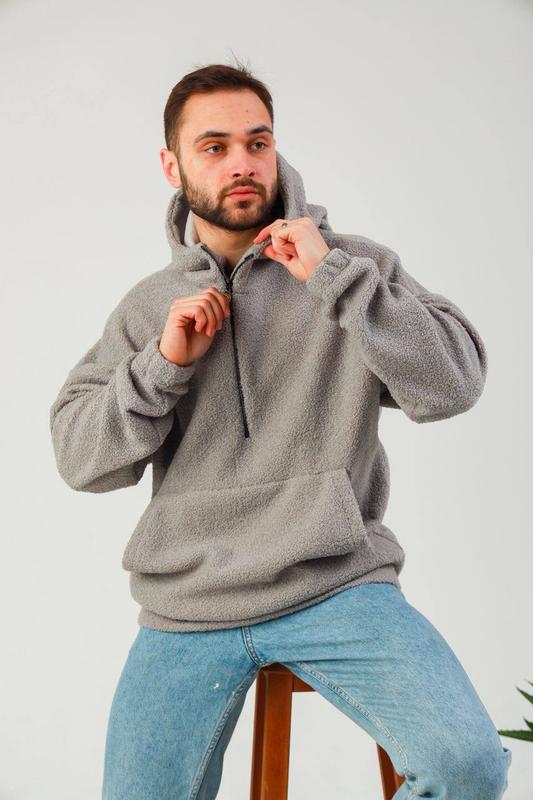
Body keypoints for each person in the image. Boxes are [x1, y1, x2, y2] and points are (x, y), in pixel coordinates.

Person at [49, 61, 512, 799]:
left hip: (337, 583)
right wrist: (163, 366)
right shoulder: (148, 306)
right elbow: (80, 459)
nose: (242, 163)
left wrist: (337, 282)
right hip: (186, 605)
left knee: (467, 765)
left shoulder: (352, 264)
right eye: (214, 147)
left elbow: (453, 384)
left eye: (257, 142)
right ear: (172, 166)